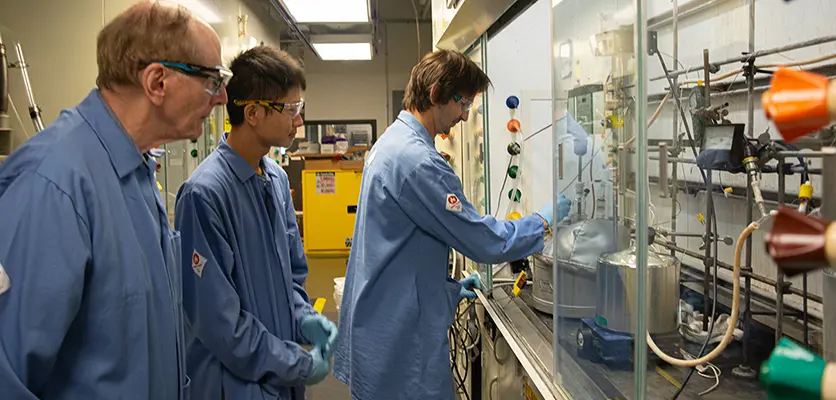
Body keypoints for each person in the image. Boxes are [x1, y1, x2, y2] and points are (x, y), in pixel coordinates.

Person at [0, 3, 229, 399]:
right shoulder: (54, 184)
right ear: (157, 81)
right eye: (212, 80)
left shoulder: (135, 173)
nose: (222, 97)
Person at [332, 49, 571, 399]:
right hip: (399, 343)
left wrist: (446, 289)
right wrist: (543, 222)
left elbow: (397, 247)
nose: (463, 115)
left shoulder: (391, 144)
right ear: (434, 95)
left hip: (380, 324)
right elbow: (485, 241)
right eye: (462, 102)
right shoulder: (418, 163)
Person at [174, 45, 337, 400]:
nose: (299, 121)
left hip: (280, 378)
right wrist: (296, 363)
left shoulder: (275, 180)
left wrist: (302, 317)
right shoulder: (204, 195)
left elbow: (291, 275)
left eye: (300, 108)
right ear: (252, 113)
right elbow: (220, 324)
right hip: (234, 386)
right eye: (291, 110)